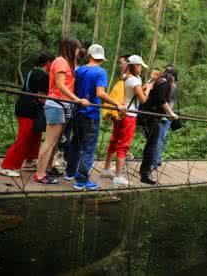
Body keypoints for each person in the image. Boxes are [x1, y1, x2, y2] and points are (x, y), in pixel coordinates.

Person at [64, 44, 126, 190]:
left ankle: (70, 172)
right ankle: (81, 181)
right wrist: (117, 104)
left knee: (75, 144)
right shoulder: (100, 72)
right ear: (101, 58)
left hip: (77, 112)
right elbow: (100, 93)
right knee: (88, 148)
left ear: (89, 55)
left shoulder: (79, 70)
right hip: (91, 114)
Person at [32, 38, 90, 185]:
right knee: (50, 142)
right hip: (56, 104)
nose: (78, 51)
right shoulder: (60, 61)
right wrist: (77, 99)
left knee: (54, 142)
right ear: (71, 48)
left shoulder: (66, 63)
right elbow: (59, 85)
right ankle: (39, 175)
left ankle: (46, 170)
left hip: (62, 105)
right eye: (77, 48)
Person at [0, 53, 54, 177]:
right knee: (23, 137)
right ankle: (6, 166)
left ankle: (30, 160)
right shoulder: (44, 75)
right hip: (29, 109)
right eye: (53, 63)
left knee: (35, 134)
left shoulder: (32, 71)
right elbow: (42, 97)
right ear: (49, 62)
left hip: (23, 105)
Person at [103, 55, 149, 183]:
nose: (141, 69)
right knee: (123, 145)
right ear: (135, 66)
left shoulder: (124, 77)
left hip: (120, 113)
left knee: (114, 140)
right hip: (129, 115)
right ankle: (118, 176)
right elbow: (143, 100)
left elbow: (131, 93)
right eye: (140, 66)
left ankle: (106, 169)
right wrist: (148, 89)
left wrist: (142, 88)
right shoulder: (134, 80)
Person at [139, 69, 178, 184]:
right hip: (153, 118)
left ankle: (144, 172)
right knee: (152, 146)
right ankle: (145, 174)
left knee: (150, 145)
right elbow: (162, 100)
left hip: (149, 116)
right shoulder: (164, 82)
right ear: (171, 77)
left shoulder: (158, 81)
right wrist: (171, 113)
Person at [154, 64, 178, 169]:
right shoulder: (169, 84)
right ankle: (157, 159)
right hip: (167, 114)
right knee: (161, 138)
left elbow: (169, 101)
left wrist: (167, 114)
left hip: (165, 115)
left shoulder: (170, 85)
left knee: (159, 138)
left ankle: (156, 161)